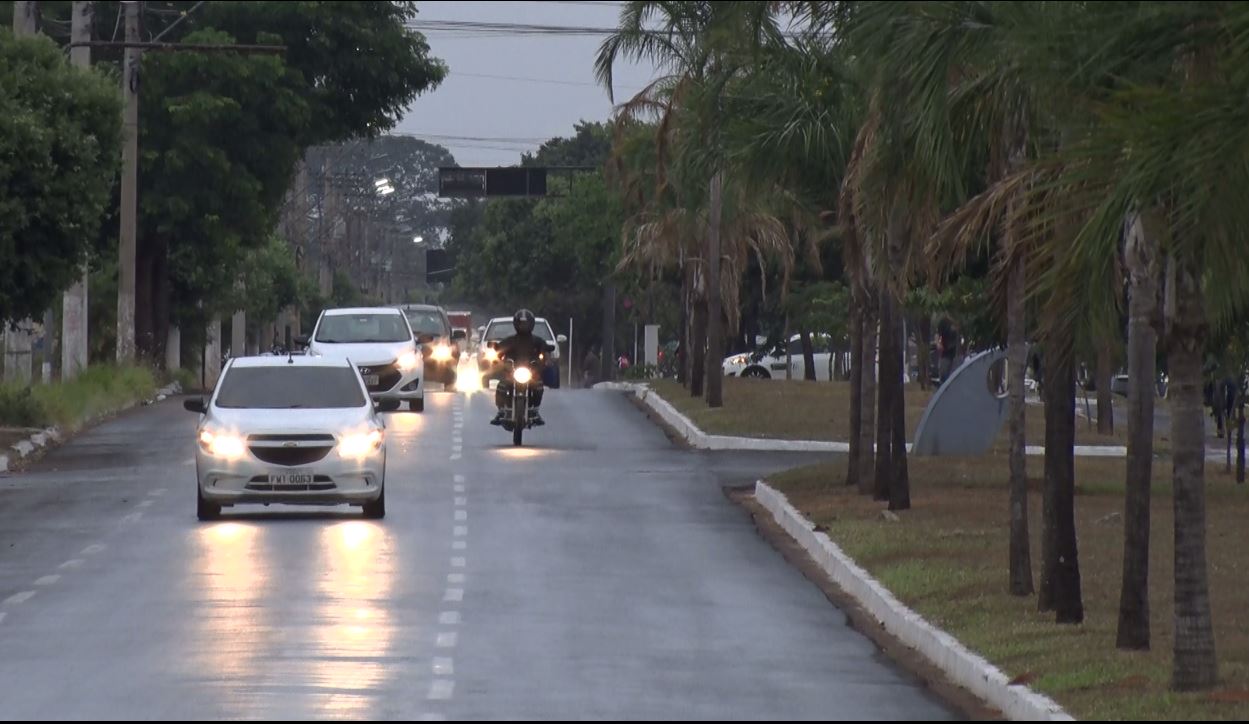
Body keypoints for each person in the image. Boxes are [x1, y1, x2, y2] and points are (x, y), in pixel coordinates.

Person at [491, 309, 553, 426]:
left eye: (526, 323)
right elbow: (499, 350)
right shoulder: (510, 341)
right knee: (502, 385)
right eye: (521, 323)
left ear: (531, 324)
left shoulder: (537, 341)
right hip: (512, 373)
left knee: (538, 386)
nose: (523, 326)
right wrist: (497, 359)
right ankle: (501, 411)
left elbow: (546, 350)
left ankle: (535, 410)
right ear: (516, 324)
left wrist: (546, 359)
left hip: (531, 373)